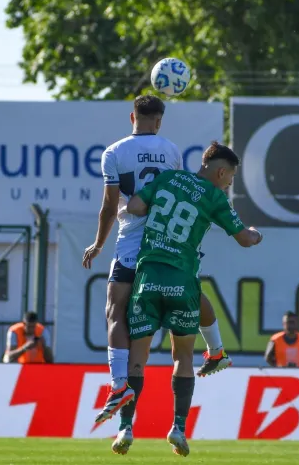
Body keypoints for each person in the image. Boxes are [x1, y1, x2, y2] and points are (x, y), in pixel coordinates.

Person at [82, 95, 232, 425]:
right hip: (165, 244)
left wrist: (97, 244)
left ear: (131, 116)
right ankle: (216, 348)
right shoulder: (172, 151)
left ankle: (120, 386)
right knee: (188, 292)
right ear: (159, 120)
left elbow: (109, 207)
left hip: (131, 244)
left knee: (115, 310)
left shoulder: (114, 152)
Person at [112, 142, 263, 456]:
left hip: (148, 277)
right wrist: (255, 233)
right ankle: (178, 427)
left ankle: (125, 427)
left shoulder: (168, 178)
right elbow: (245, 239)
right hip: (182, 281)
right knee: (182, 357)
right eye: (230, 179)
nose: (228, 184)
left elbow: (136, 207)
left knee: (137, 357)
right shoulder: (215, 197)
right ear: (221, 172)